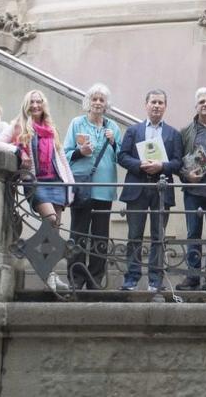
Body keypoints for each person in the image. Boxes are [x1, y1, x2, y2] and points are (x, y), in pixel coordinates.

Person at [0, 90, 74, 291]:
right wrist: (18, 150)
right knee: (51, 220)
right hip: (36, 183)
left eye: (39, 102)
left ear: (43, 105)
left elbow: (61, 156)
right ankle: (31, 251)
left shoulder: (50, 128)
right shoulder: (18, 125)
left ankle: (50, 274)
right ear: (26, 105)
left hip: (56, 182)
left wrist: (70, 183)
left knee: (54, 232)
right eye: (32, 102)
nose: (36, 105)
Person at [117, 89, 183, 292]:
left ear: (165, 107)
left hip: (161, 190)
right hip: (137, 187)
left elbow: (178, 162)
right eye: (153, 102)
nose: (156, 106)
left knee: (158, 236)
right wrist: (140, 164)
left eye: (160, 103)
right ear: (146, 105)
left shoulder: (173, 133)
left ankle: (155, 279)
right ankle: (132, 278)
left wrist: (161, 166)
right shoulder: (133, 130)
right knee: (134, 235)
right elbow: (122, 156)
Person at [63, 84, 122, 290]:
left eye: (101, 100)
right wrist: (81, 152)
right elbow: (65, 153)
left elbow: (121, 156)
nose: (97, 103)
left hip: (104, 189)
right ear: (88, 102)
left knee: (100, 236)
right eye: (94, 99)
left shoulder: (112, 127)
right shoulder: (77, 123)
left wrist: (113, 142)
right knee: (78, 234)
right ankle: (76, 279)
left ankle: (95, 280)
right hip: (82, 187)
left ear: (107, 105)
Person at [176, 88, 206, 291]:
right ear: (196, 106)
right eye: (202, 101)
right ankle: (193, 276)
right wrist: (186, 176)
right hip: (193, 192)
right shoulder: (185, 130)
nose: (205, 104)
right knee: (193, 234)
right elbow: (177, 160)